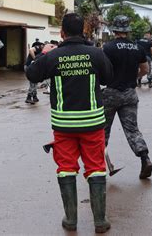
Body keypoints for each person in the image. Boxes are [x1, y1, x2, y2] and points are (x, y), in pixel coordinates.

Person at [26, 13, 113, 233]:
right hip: (93, 123)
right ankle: (100, 221)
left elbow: (32, 75)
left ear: (62, 33)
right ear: (83, 31)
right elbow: (109, 78)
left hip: (64, 125)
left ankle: (71, 220)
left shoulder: (53, 56)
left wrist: (37, 55)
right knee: (95, 168)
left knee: (66, 168)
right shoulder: (96, 54)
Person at [102, 15, 152, 180]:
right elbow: (146, 69)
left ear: (115, 30)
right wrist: (135, 78)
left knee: (102, 130)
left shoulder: (108, 48)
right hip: (130, 93)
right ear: (128, 30)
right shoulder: (137, 48)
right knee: (132, 129)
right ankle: (145, 158)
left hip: (110, 93)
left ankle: (99, 166)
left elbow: (102, 70)